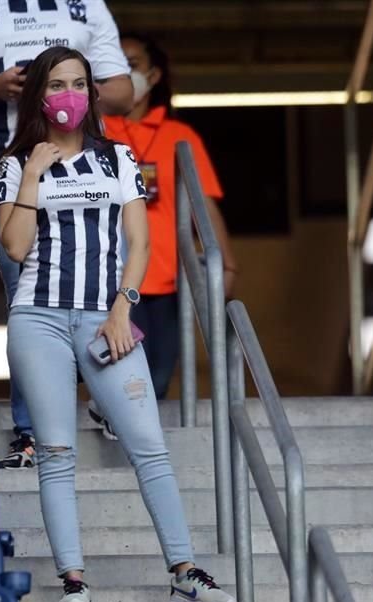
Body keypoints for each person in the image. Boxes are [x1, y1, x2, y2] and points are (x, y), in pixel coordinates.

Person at [0, 45, 237, 602]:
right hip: (39, 319)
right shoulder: (13, 165)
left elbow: (141, 242)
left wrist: (124, 308)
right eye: (57, 85)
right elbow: (14, 246)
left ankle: (184, 573)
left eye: (79, 84)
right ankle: (74, 582)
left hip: (107, 319)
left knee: (149, 447)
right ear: (39, 95)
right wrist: (32, 173)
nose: (69, 96)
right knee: (56, 452)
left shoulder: (118, 159)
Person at [0, 0, 133, 469]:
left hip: (89, 165)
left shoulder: (85, 5)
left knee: (101, 278)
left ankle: (109, 397)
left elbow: (123, 92)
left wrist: (67, 86)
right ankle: (33, 431)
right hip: (9, 166)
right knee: (28, 293)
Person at [99, 33, 237, 408]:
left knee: (160, 372)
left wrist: (226, 263)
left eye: (133, 65)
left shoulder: (179, 136)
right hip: (113, 274)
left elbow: (203, 204)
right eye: (115, 64)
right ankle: (116, 418)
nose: (124, 73)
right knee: (120, 365)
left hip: (168, 277)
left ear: (154, 76)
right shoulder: (95, 131)